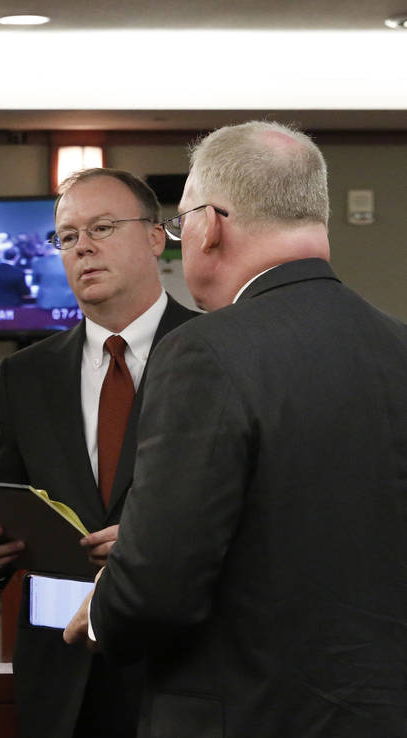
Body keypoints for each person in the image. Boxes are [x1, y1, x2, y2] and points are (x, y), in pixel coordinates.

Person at [64, 121, 407, 736]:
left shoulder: (205, 351)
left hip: (248, 712)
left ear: (211, 226)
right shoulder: (398, 345)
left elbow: (160, 584)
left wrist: (104, 612)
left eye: (180, 224)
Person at [0, 169, 195, 738]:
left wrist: (153, 543)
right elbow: (13, 501)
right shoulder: (25, 374)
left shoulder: (217, 350)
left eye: (102, 228)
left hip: (182, 662)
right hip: (60, 666)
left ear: (156, 237)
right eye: (67, 236)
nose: (83, 246)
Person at [31, 239, 76, 310]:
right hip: (70, 302)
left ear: (44, 250)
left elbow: (34, 282)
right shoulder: (71, 261)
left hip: (46, 302)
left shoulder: (38, 263)